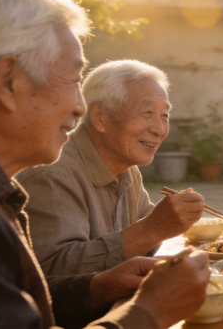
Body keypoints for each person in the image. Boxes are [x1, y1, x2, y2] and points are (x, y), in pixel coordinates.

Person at [0, 0, 210, 329]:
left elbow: (25, 307)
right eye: (73, 81)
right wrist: (149, 312)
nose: (79, 107)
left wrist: (95, 288)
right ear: (9, 81)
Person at [18, 60, 205, 276]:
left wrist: (167, 222)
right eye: (147, 113)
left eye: (164, 116)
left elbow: (143, 235)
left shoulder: (126, 166)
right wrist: (153, 228)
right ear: (100, 117)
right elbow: (52, 273)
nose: (160, 129)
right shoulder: (51, 173)